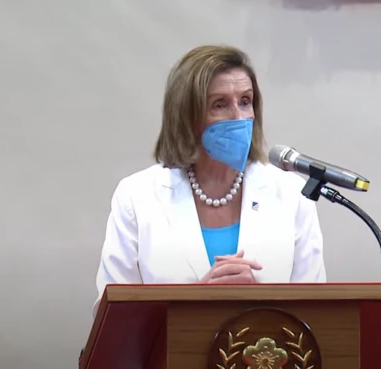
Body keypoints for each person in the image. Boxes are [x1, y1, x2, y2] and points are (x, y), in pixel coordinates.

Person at [92, 45, 326, 317]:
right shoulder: (137, 196)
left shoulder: (291, 193)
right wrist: (198, 301)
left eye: (245, 101)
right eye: (220, 104)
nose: (239, 117)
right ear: (187, 117)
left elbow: (317, 313)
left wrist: (260, 299)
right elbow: (111, 319)